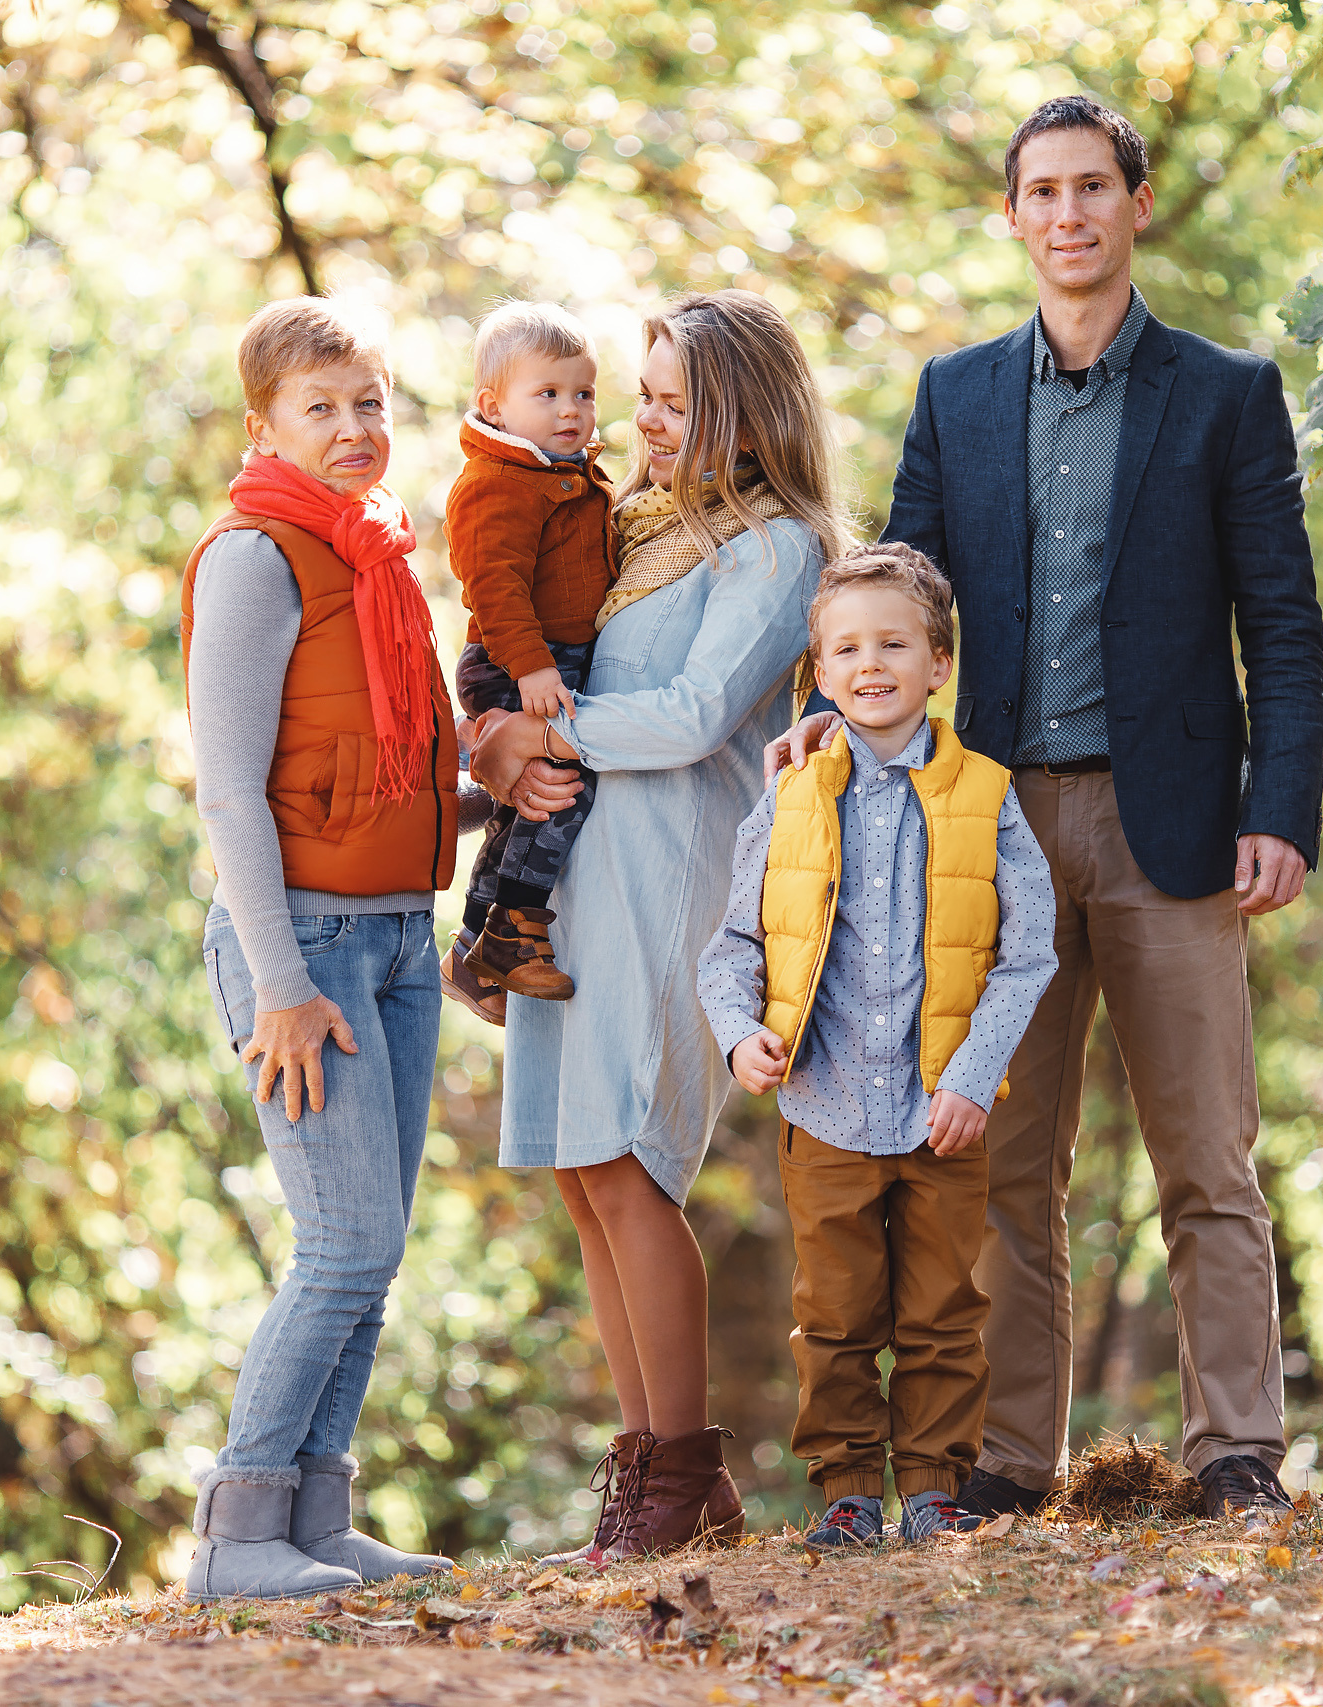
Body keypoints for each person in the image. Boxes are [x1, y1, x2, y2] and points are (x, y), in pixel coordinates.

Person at [770, 94, 1323, 1520]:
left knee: (1207, 1153)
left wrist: (1284, 806)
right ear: (1012, 217)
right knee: (1006, 1167)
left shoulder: (1225, 392)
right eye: (1044, 192)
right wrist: (824, 728)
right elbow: (893, 596)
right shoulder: (957, 394)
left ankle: (1237, 1449)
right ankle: (1009, 1460)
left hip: (1182, 829)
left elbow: (1284, 619)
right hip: (991, 832)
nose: (1069, 214)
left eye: (1095, 188)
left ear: (1137, 205)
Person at [466, 290, 849, 1560]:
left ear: (744, 409)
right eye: (646, 392)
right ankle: (659, 1477)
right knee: (585, 1171)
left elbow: (690, 717)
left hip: (676, 868)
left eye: (675, 398)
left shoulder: (776, 547)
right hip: (583, 865)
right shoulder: (634, 530)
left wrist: (548, 732)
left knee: (632, 1164)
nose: (644, 417)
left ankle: (681, 1472)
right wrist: (500, 740)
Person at [175, 296, 463, 1598]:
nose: (353, 429)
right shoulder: (256, 556)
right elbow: (229, 789)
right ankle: (239, 1531)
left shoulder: (382, 556)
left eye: (369, 403)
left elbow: (398, 753)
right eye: (320, 407)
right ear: (265, 424)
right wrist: (279, 984)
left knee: (377, 1243)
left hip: (401, 931)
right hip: (302, 946)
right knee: (340, 1241)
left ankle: (318, 1513)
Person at [698, 544, 1056, 1548]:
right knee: (837, 1315)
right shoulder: (791, 798)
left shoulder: (987, 795)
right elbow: (728, 952)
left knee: (943, 1311)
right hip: (824, 1105)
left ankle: (935, 1488)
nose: (870, 665)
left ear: (938, 662)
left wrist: (974, 1081)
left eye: (894, 644)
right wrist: (740, 1040)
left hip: (946, 1111)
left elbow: (1027, 956)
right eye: (846, 649)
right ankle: (849, 1490)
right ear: (819, 674)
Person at [441, 301, 616, 1019]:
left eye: (583, 393)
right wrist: (532, 667)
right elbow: (496, 586)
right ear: (495, 405)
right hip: (514, 660)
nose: (570, 410)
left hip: (550, 657)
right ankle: (512, 929)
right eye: (546, 394)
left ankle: (474, 951)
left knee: (531, 801)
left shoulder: (564, 471)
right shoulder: (497, 483)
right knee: (557, 789)